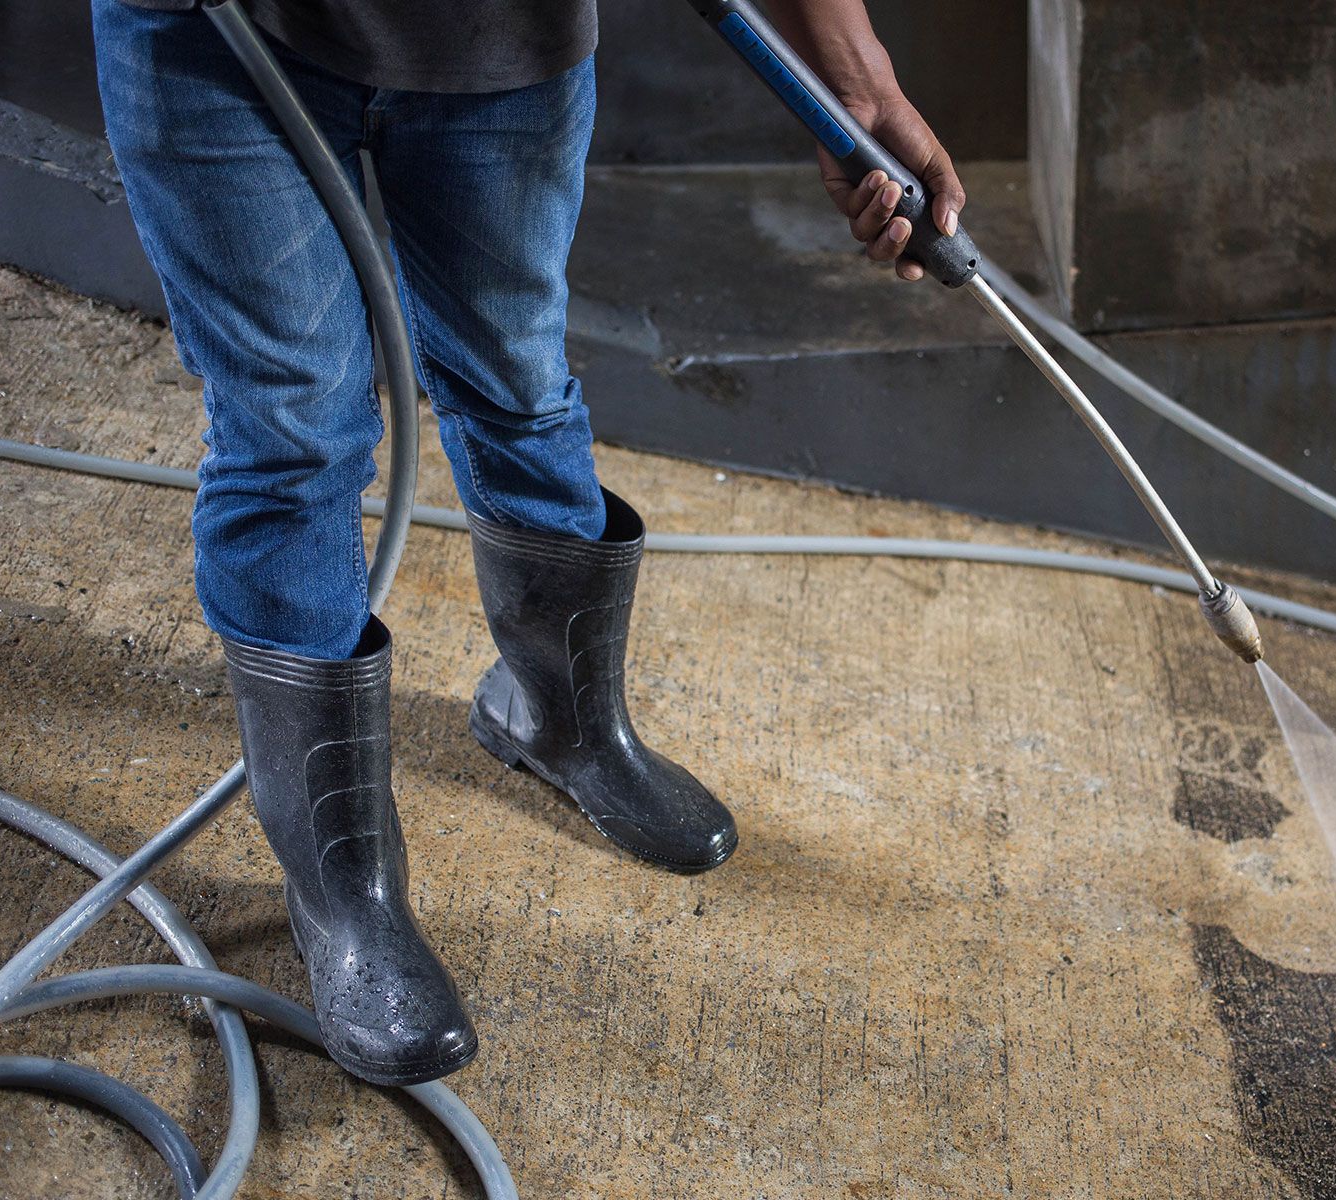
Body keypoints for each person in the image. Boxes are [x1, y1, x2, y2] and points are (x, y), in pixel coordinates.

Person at [92, 0, 965, 1086]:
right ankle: (346, 890)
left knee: (516, 378)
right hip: (218, 38)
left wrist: (858, 81)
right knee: (293, 431)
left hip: (497, 44)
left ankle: (561, 720)